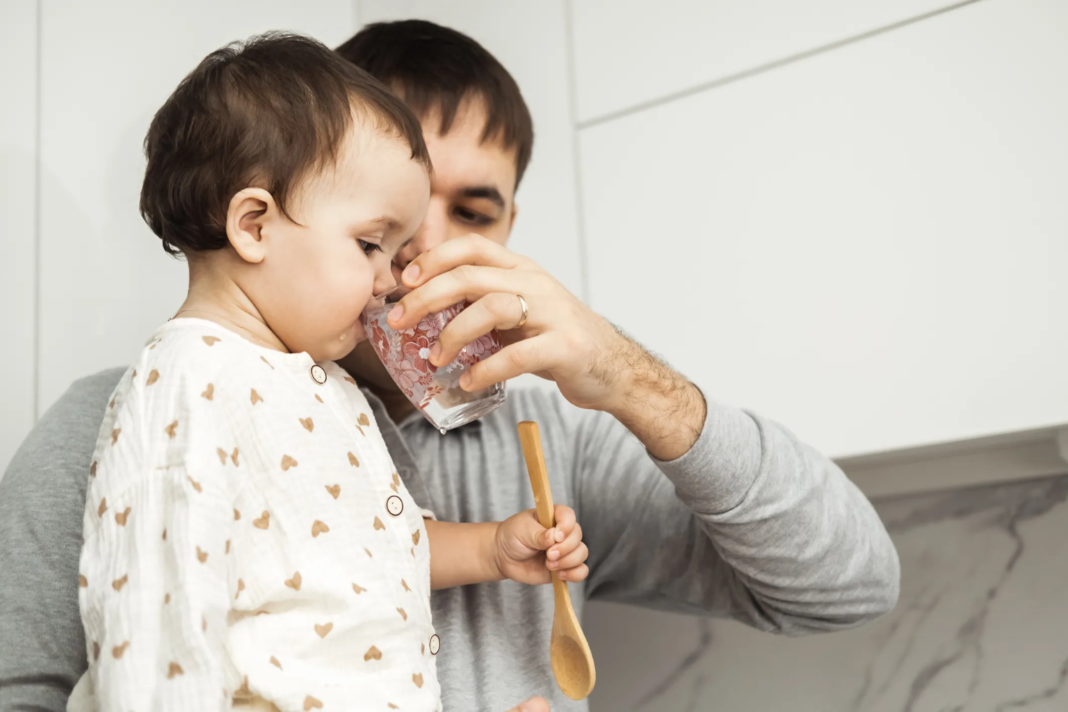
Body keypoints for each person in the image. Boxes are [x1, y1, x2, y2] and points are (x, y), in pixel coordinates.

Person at [0, 19, 900, 712]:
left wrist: (624, 374)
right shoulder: (132, 413)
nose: (414, 260)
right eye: (383, 224)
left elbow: (850, 586)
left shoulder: (550, 435)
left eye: (474, 212)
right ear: (268, 210)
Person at [66, 33, 589, 712]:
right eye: (372, 244)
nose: (390, 278)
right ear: (254, 225)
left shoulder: (326, 385)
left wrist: (492, 549)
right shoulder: (187, 383)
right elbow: (155, 614)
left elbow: (369, 545)